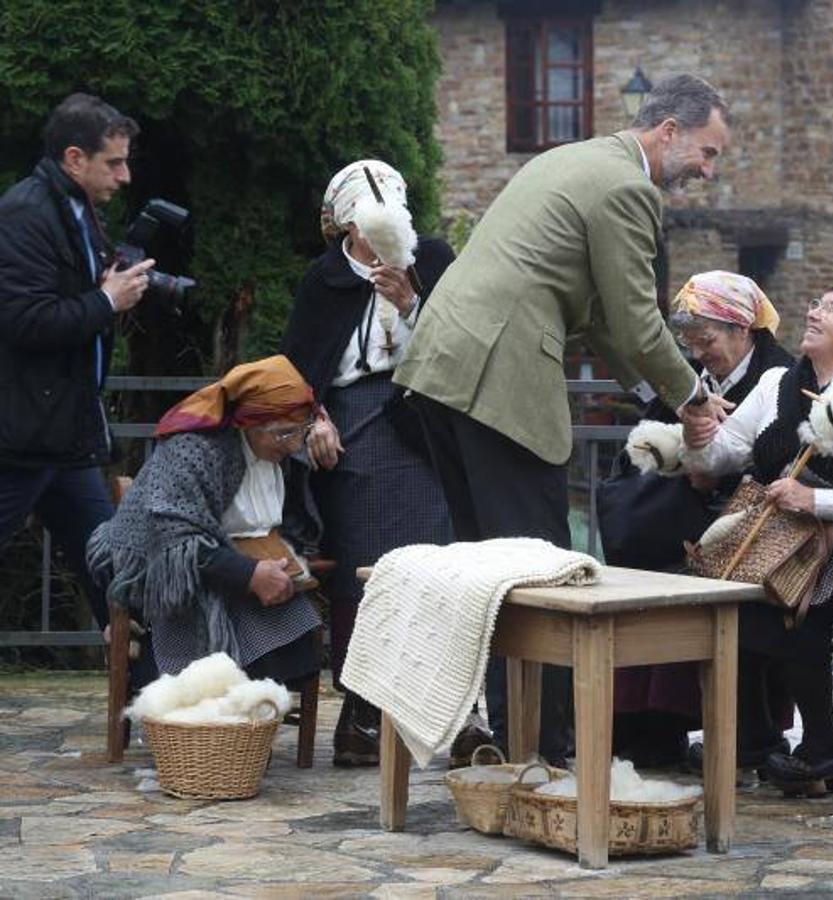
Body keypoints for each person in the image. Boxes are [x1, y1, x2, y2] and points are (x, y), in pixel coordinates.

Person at [395, 74, 733, 763]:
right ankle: (542, 753)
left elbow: (608, 322)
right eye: (707, 151)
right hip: (496, 376)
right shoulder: (628, 189)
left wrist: (662, 398)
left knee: (490, 569)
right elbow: (639, 322)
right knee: (541, 568)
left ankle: (512, 740)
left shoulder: (569, 159)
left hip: (443, 368)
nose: (708, 169)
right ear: (667, 131)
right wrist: (695, 401)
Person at [683, 282, 833, 794]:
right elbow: (721, 455)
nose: (812, 312)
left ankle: (824, 745)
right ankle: (754, 739)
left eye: (831, 309)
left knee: (799, 610)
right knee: (731, 601)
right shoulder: (776, 384)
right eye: (815, 303)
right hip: (781, 539)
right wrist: (695, 434)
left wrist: (815, 501)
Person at [280, 160, 455, 766]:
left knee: (428, 565)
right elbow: (300, 369)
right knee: (365, 566)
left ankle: (420, 707)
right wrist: (312, 420)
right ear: (346, 226)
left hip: (421, 424)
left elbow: (457, 348)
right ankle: (360, 712)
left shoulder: (429, 259)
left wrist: (412, 303)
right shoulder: (324, 279)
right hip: (348, 427)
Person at [606, 270, 794, 767]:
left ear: (742, 331)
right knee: (640, 578)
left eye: (706, 340)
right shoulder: (692, 385)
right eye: (689, 343)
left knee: (684, 582)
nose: (697, 353)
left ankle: (688, 723)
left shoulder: (779, 378)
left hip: (745, 523)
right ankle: (639, 722)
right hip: (682, 516)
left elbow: (778, 460)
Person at [0, 93, 155, 634]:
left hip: (63, 436)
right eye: (114, 162)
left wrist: (111, 286)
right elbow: (23, 320)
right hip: (20, 436)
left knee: (118, 586)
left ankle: (160, 708)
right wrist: (107, 300)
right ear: (74, 158)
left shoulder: (75, 208)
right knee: (115, 578)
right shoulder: (25, 212)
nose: (125, 175)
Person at [86, 357, 327, 683]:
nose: (296, 444)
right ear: (249, 425)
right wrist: (249, 574)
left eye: (302, 431)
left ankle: (246, 721)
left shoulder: (280, 452)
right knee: (245, 651)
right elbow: (176, 543)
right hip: (167, 575)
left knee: (297, 639)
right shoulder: (194, 450)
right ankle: (215, 716)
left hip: (230, 560)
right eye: (285, 435)